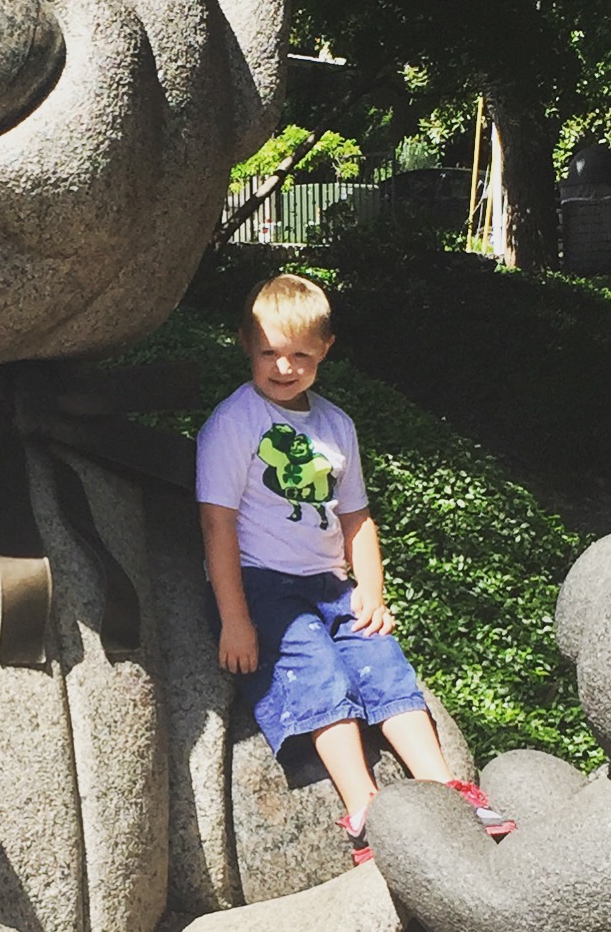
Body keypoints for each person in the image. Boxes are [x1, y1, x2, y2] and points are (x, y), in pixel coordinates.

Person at [196, 273, 513, 867]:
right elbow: (217, 526)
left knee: (386, 666)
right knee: (317, 674)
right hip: (263, 581)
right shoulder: (233, 424)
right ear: (246, 344)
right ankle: (364, 804)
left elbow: (357, 517)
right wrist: (234, 618)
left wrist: (371, 590)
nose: (284, 367)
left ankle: (447, 789)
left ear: (325, 350)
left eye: (300, 355)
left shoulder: (336, 426)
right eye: (269, 352)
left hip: (329, 584)